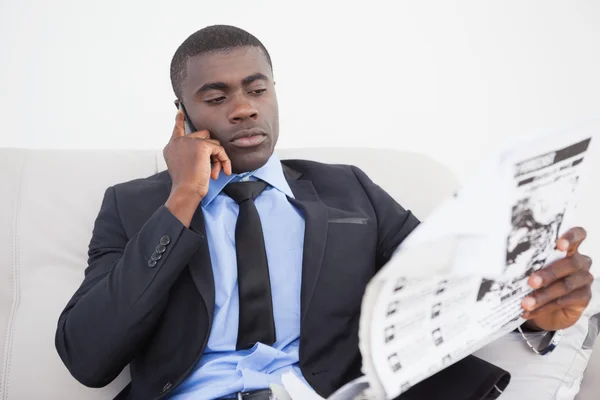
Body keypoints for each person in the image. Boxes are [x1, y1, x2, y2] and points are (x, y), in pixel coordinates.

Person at [55, 25, 594, 400]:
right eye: (215, 97)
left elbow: (449, 287)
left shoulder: (348, 190)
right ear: (183, 116)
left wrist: (533, 309)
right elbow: (88, 357)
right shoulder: (135, 204)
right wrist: (182, 198)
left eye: (256, 89)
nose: (243, 107)